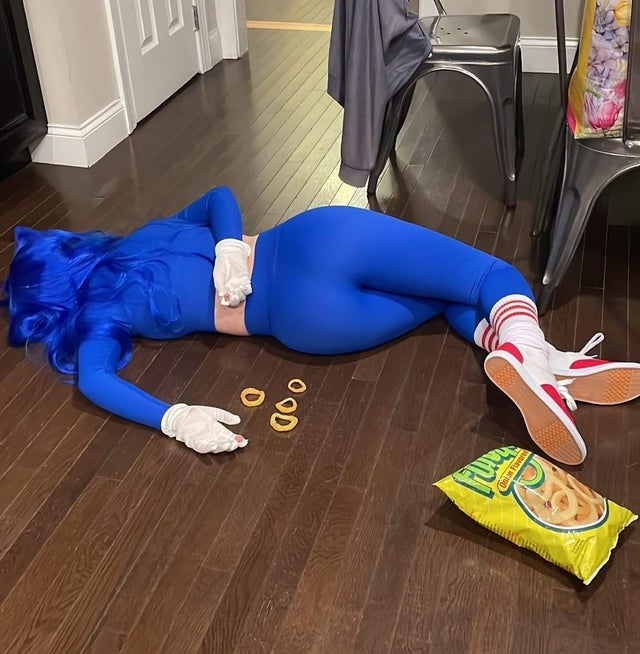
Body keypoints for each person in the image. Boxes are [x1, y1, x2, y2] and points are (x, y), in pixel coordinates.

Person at [3, 186, 639, 465]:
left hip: (305, 323)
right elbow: (219, 195)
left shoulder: (101, 318)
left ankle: (543, 364)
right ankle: (536, 355)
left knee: (446, 295)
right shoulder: (143, 236)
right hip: (320, 238)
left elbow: (94, 381)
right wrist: (228, 245)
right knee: (485, 276)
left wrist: (176, 418)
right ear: (67, 247)